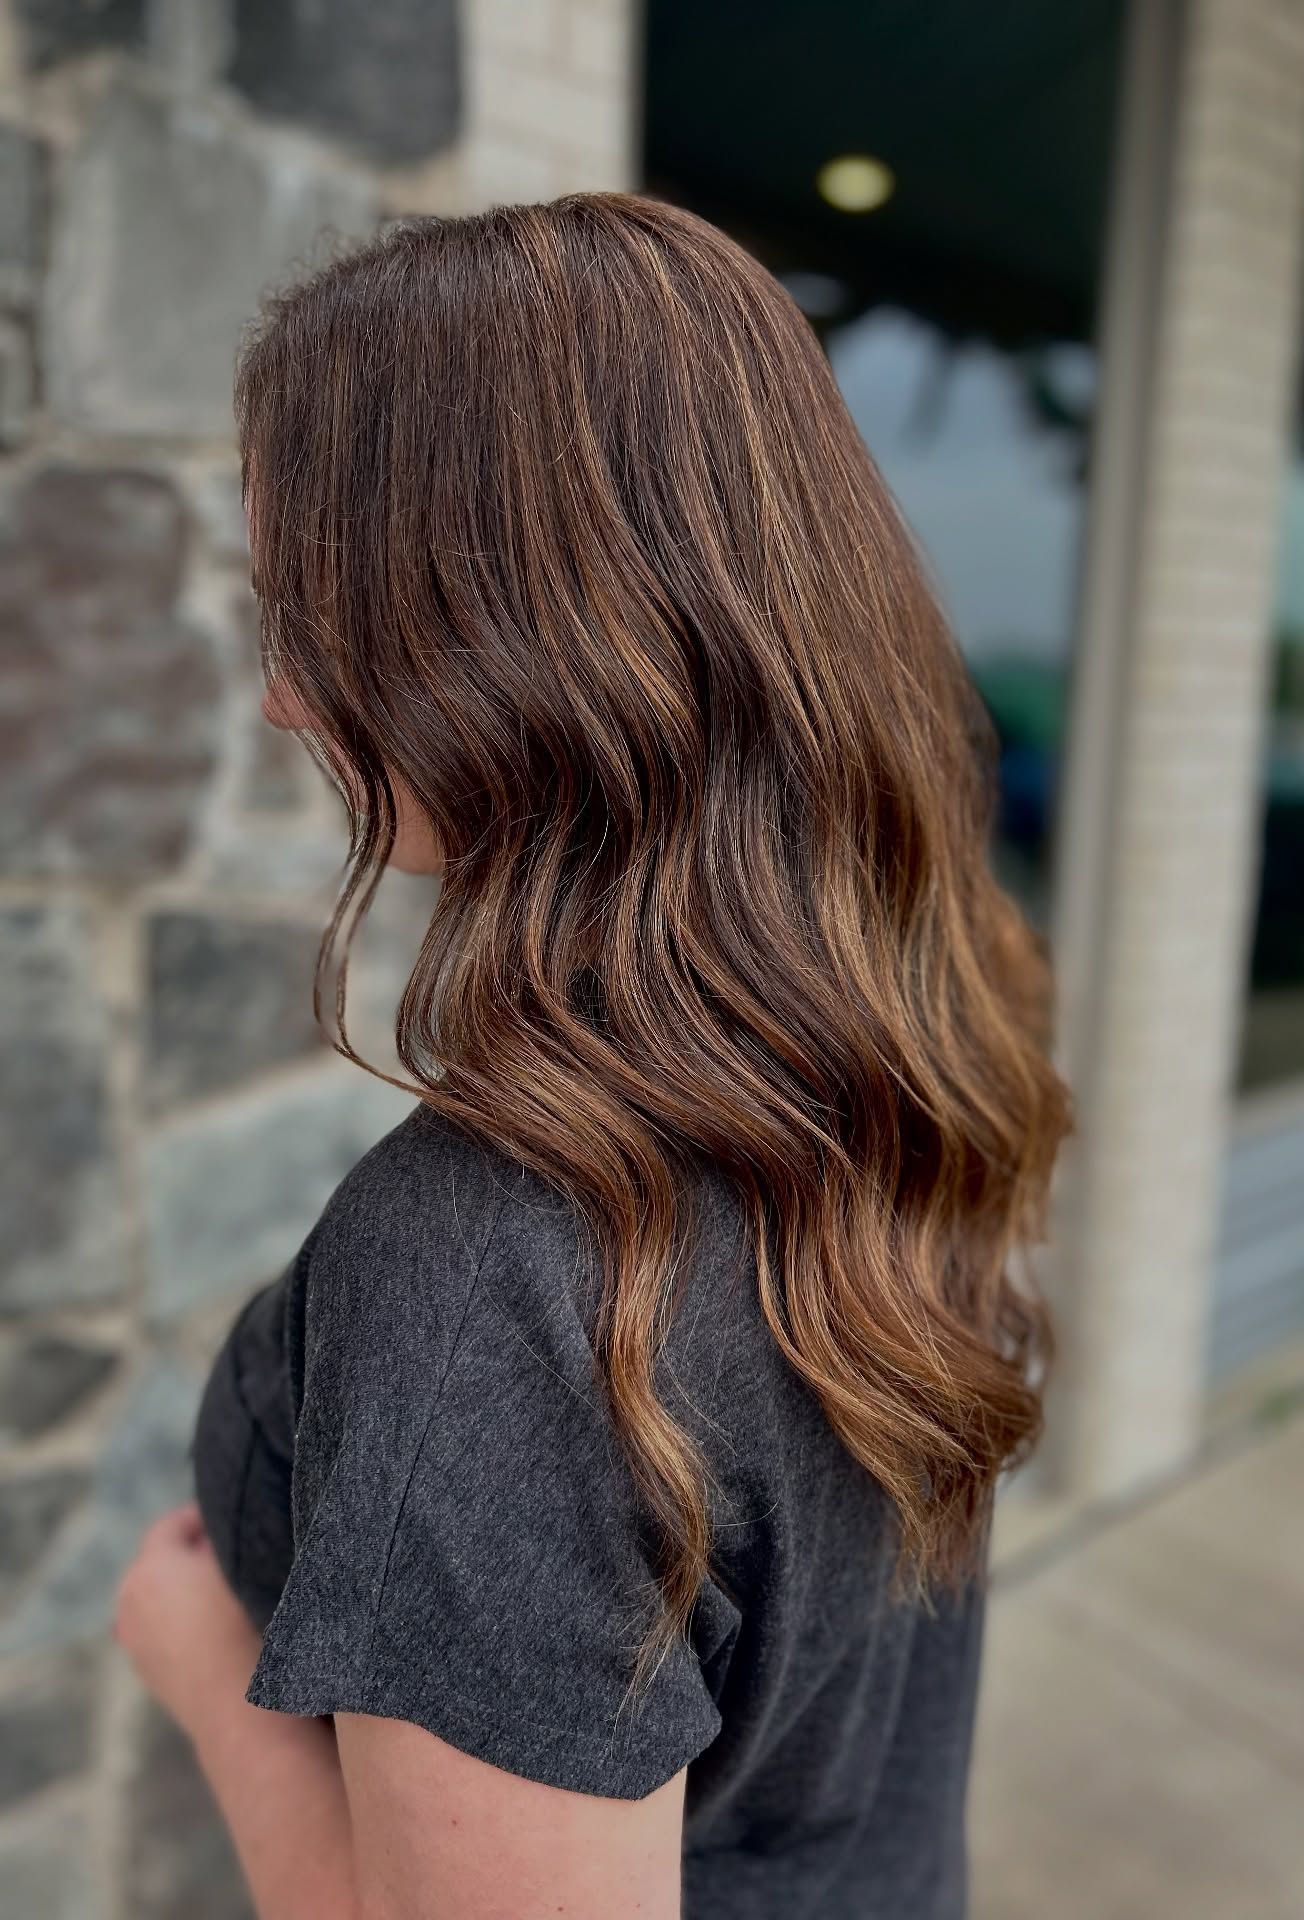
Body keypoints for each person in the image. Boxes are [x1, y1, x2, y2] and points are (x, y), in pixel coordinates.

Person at [114, 193, 1070, 1920]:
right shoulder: (914, 1031)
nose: (277, 696)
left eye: (305, 607)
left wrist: (204, 1679)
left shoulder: (503, 1268)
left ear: (506, 630)